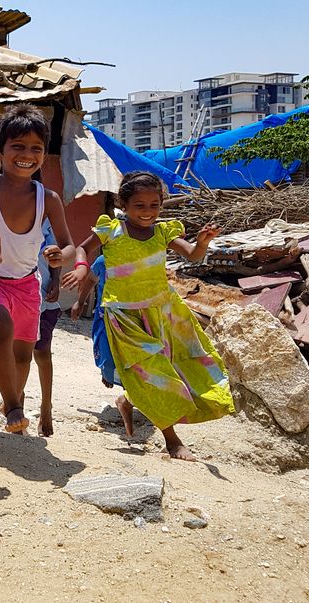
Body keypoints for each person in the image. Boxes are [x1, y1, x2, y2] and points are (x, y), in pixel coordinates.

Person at [75, 171, 235, 461]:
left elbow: (193, 255)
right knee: (157, 374)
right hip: (124, 317)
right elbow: (83, 251)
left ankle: (129, 400)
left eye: (154, 205)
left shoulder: (163, 232)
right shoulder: (110, 231)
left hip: (164, 312)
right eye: (139, 205)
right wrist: (80, 268)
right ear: (123, 205)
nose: (148, 212)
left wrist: (203, 242)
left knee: (179, 367)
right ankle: (172, 441)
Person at [0, 105, 84, 435]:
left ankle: (16, 406)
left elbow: (69, 244)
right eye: (17, 146)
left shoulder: (48, 199)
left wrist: (57, 255)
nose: (27, 155)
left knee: (23, 356)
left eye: (36, 148)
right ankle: (12, 406)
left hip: (26, 285)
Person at [70, 255, 120, 389]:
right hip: (105, 314)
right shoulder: (103, 261)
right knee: (105, 346)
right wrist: (80, 302)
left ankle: (128, 392)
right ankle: (107, 373)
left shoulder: (140, 260)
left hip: (130, 315)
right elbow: (91, 280)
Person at [32, 220, 62, 437]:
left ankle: (46, 407)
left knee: (42, 352)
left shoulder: (46, 218)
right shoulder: (3, 207)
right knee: (17, 355)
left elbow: (56, 253)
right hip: (15, 296)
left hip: (44, 298)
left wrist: (56, 279)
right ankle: (15, 404)